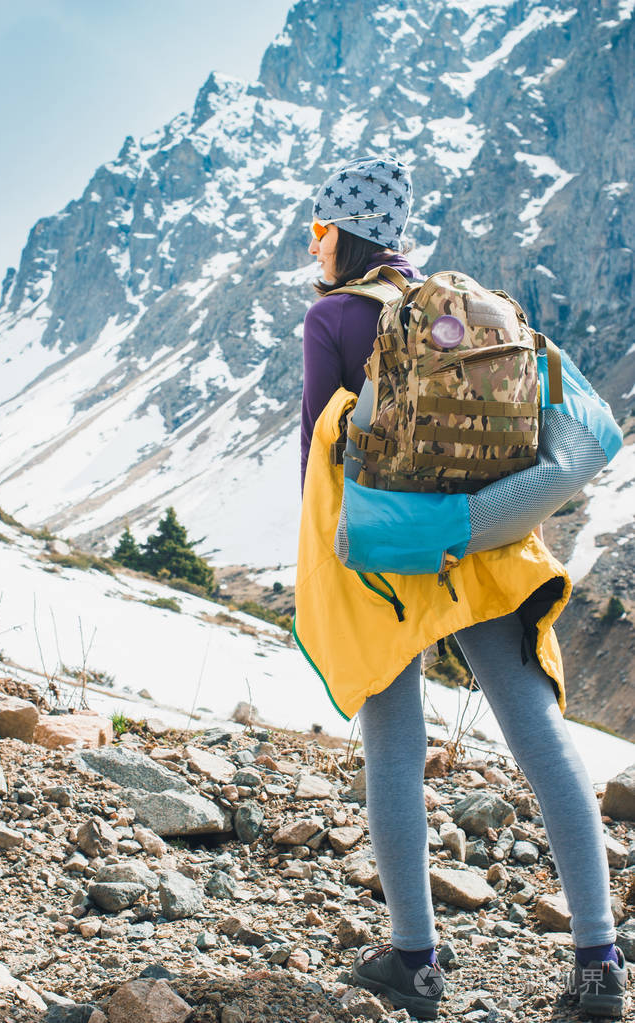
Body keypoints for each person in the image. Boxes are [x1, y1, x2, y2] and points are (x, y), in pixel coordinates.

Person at [296, 156, 627, 1020]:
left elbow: (318, 464)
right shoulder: (461, 311)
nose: (313, 246)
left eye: (319, 230)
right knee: (541, 737)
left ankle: (416, 961)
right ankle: (599, 960)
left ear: (344, 234)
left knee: (394, 747)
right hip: (487, 542)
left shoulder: (333, 317)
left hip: (391, 560)